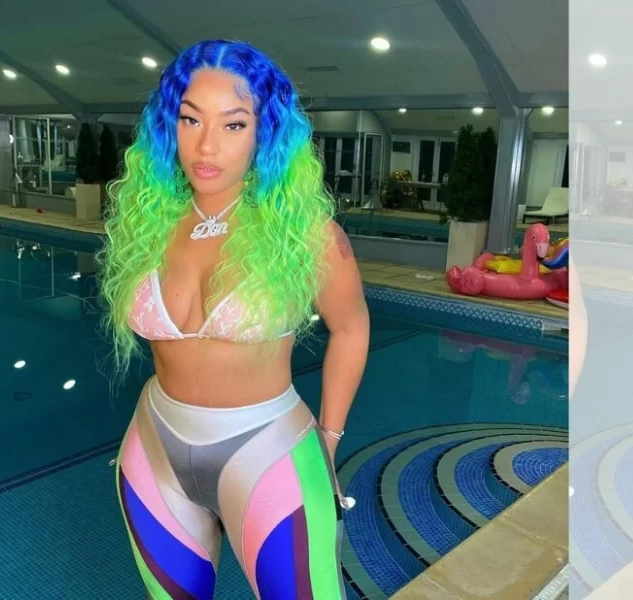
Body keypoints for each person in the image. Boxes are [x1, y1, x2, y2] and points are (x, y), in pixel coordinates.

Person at [98, 40, 370, 599]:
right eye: (190, 119)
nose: (206, 145)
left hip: (269, 452)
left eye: (233, 124)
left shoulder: (305, 234)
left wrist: (330, 436)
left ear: (264, 132)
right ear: (168, 125)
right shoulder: (147, 224)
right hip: (154, 447)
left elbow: (351, 328)